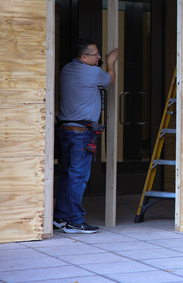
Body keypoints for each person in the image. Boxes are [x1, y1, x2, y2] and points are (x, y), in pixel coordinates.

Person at [53, 39, 119, 234]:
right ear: (84, 57)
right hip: (81, 134)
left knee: (67, 175)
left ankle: (61, 217)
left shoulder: (67, 69)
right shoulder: (92, 72)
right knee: (78, 176)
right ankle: (74, 221)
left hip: (66, 131)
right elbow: (110, 80)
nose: (99, 57)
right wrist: (110, 63)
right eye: (96, 54)